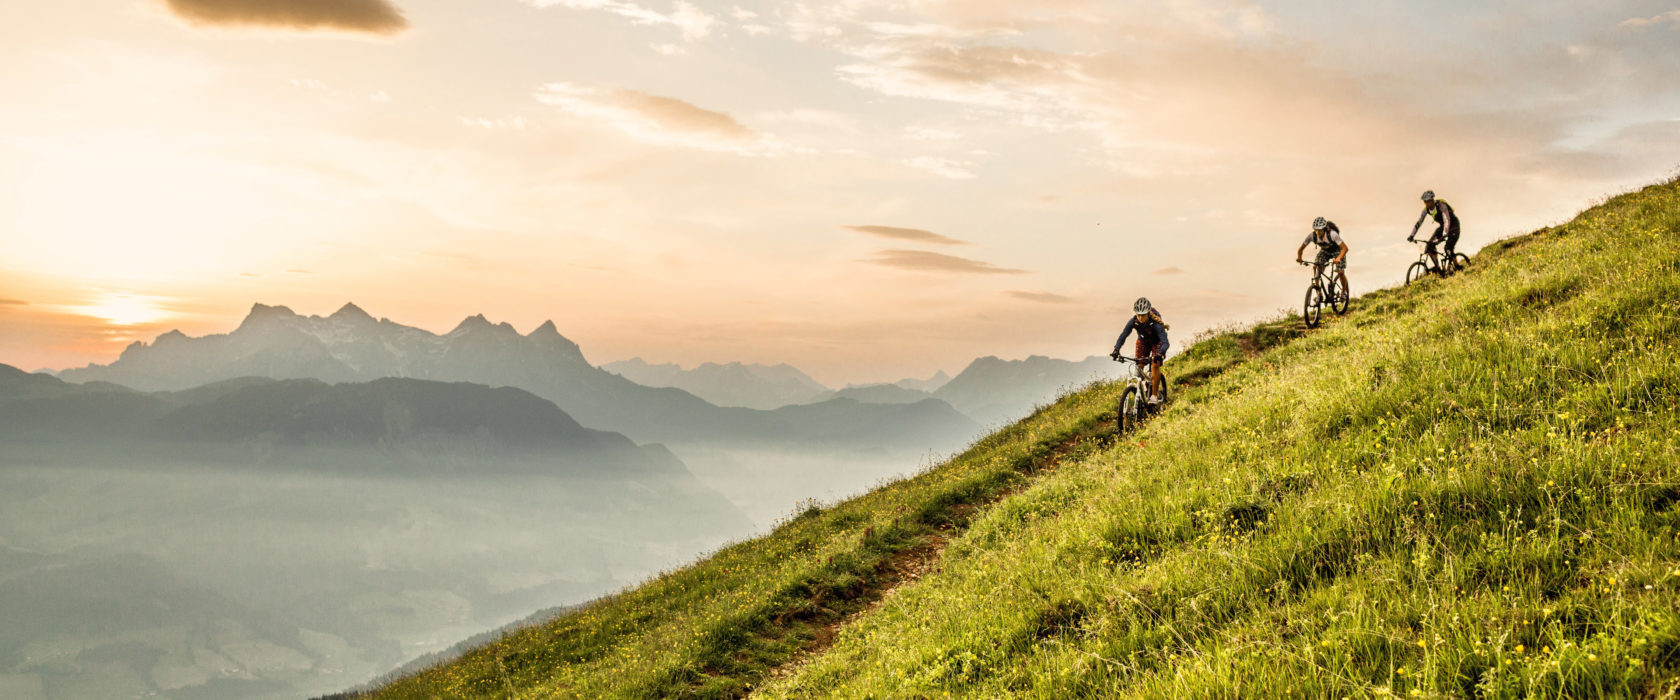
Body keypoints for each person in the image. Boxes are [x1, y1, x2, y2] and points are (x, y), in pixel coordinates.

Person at [1111, 297, 1170, 404]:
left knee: (1155, 365)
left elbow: (1166, 342)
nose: (1140, 317)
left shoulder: (1156, 324)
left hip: (1157, 343)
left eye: (1142, 315)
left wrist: (1160, 354)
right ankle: (1142, 387)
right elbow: (1123, 336)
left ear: (1148, 314)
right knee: (1138, 368)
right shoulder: (1133, 321)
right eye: (1138, 315)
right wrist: (1116, 349)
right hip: (1143, 342)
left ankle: (1154, 396)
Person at [1295, 216, 1349, 300]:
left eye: (1319, 230)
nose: (1317, 232)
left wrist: (1338, 258)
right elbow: (1301, 249)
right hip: (1325, 251)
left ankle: (1344, 292)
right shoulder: (1312, 236)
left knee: (1340, 272)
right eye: (1315, 229)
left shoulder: (1332, 234)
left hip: (1337, 251)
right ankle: (1318, 292)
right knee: (1316, 267)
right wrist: (1299, 257)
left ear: (1324, 229)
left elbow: (1345, 248)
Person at [1409, 190, 1460, 274]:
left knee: (1448, 248)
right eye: (1425, 202)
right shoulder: (1426, 210)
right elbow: (1419, 222)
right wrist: (1412, 235)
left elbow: (1447, 220)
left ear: (1432, 200)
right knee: (1429, 245)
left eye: (1428, 201)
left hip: (1454, 226)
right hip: (1443, 227)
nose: (1426, 204)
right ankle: (1438, 268)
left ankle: (1457, 267)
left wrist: (1444, 234)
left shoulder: (1441, 206)